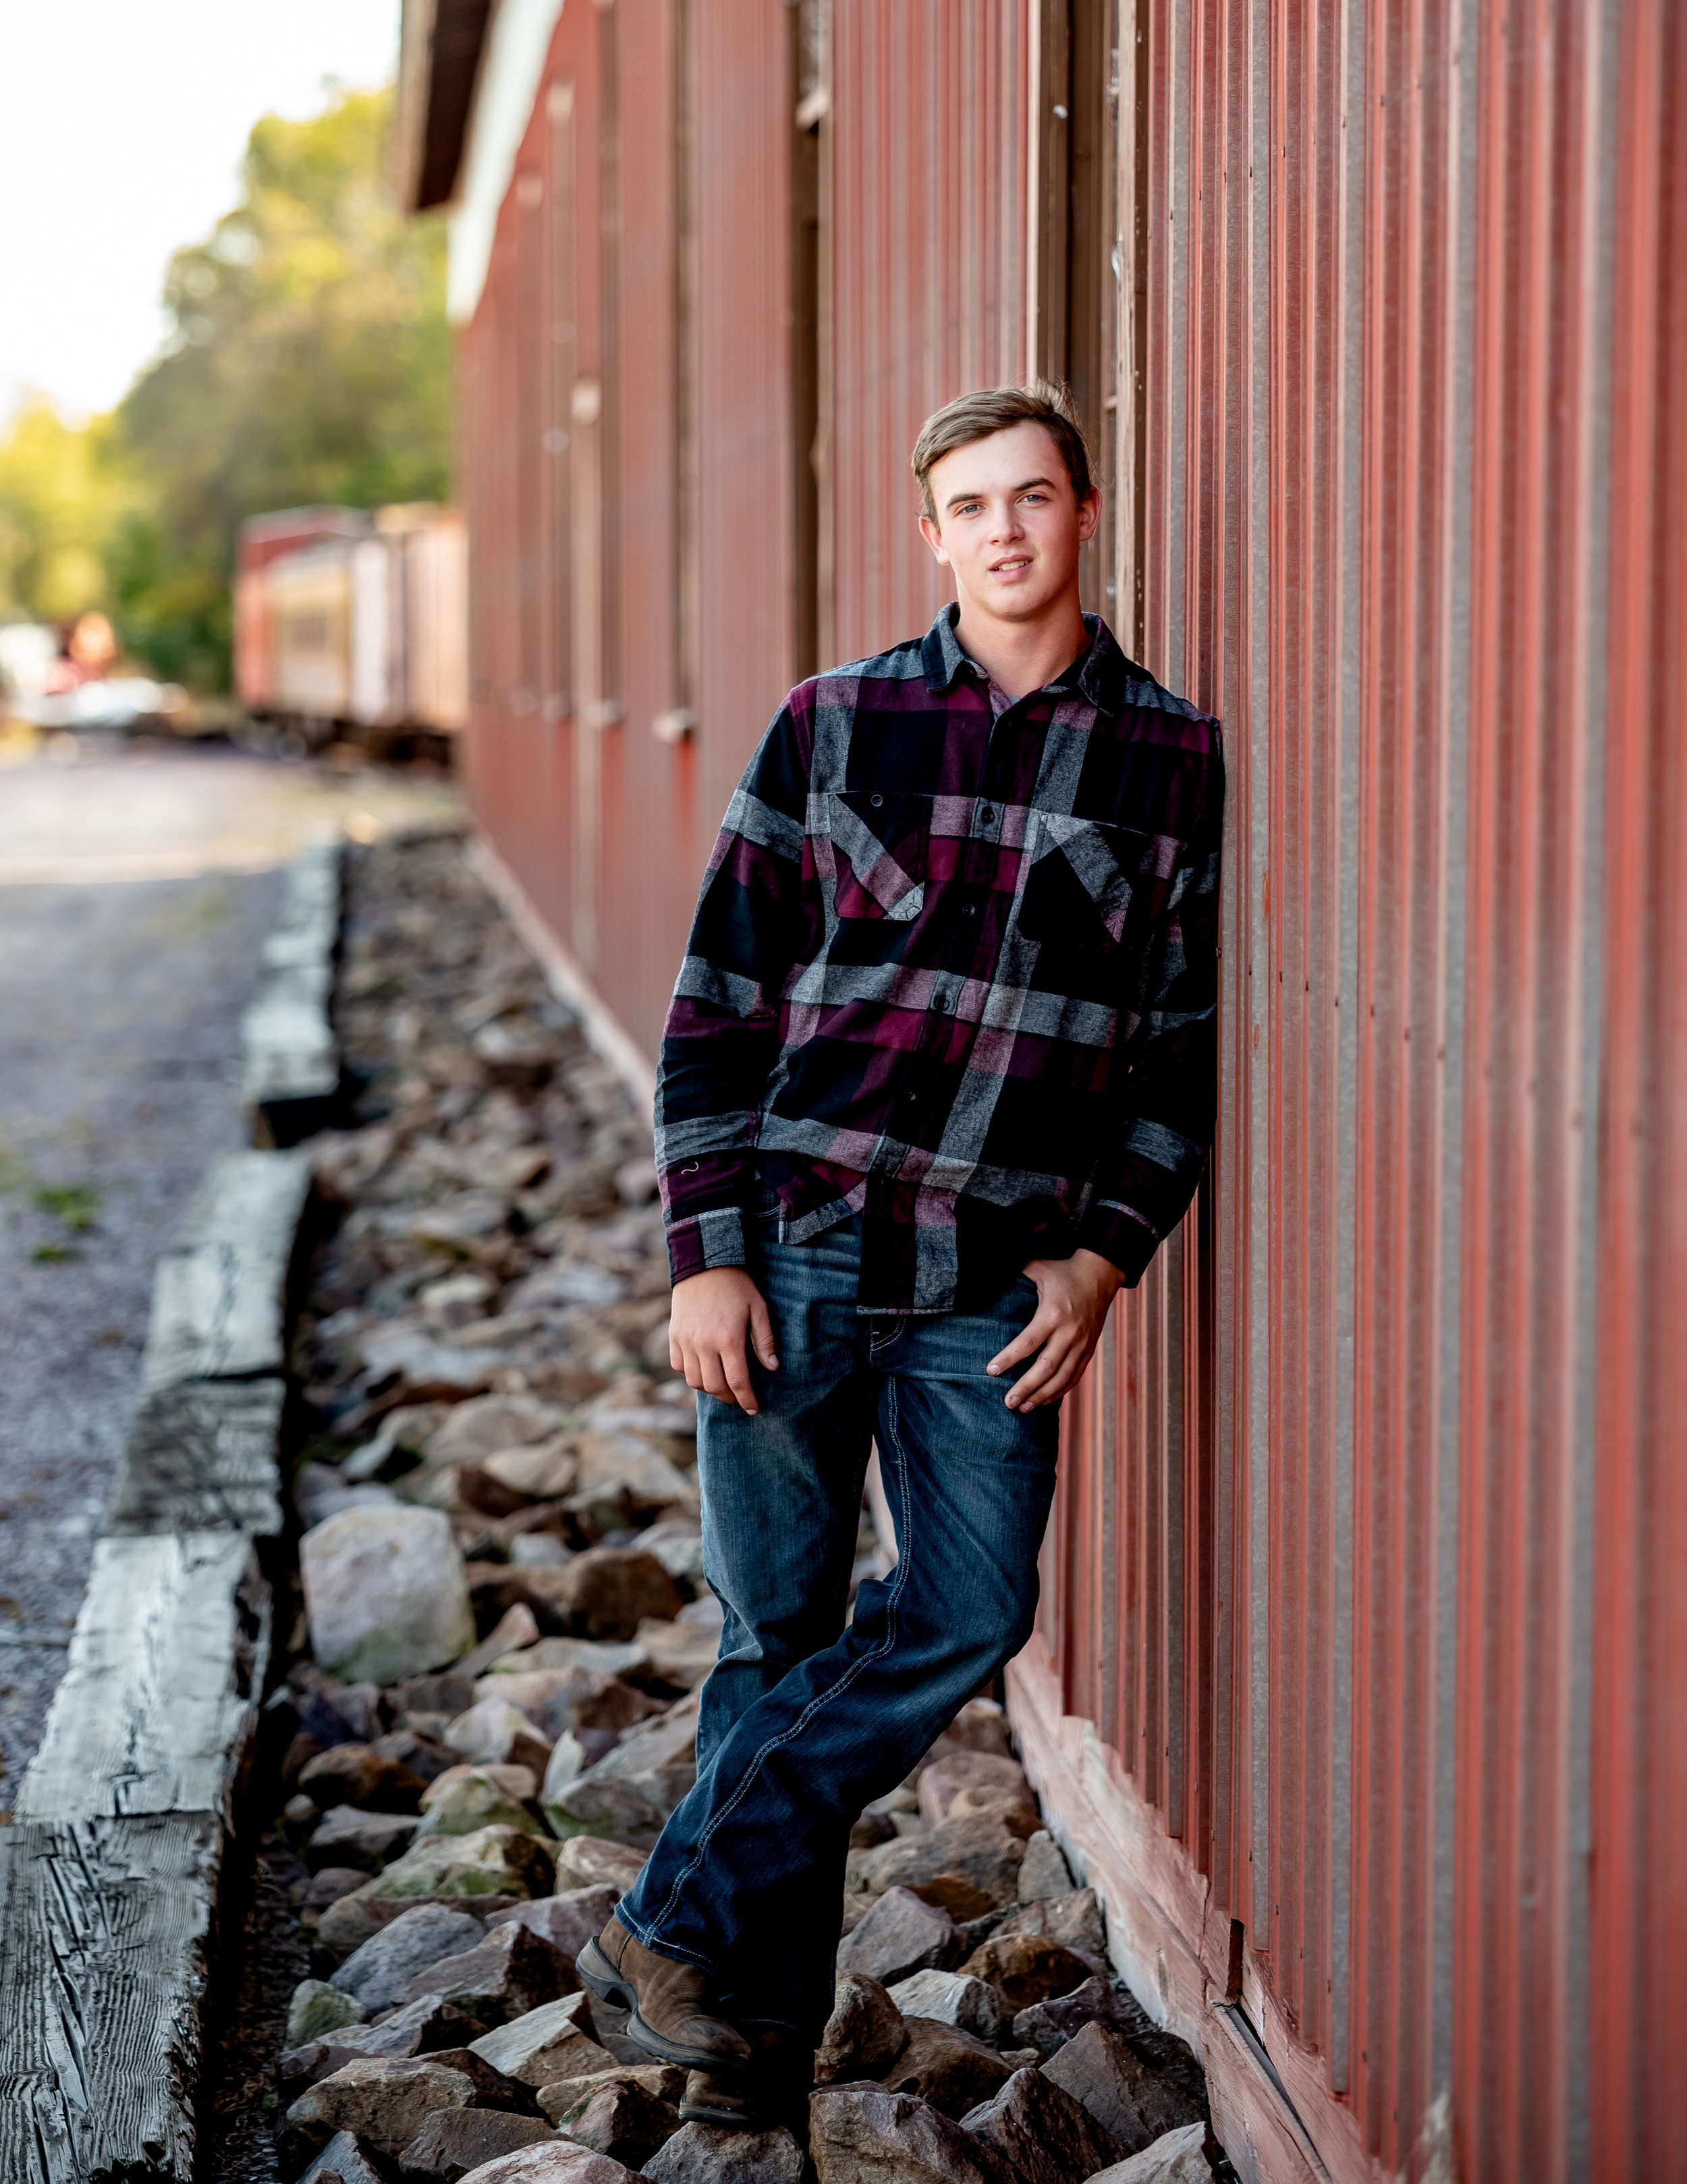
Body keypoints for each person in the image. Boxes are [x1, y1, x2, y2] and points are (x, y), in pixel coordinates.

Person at [578, 381, 1223, 2125]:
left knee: (967, 1607)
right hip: (788, 1253)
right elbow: (711, 1012)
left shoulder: (1171, 758)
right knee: (774, 1635)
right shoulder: (828, 723)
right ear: (928, 532)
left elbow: (1175, 1059)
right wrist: (700, 1255)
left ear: (1085, 510)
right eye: (969, 503)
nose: (1004, 529)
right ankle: (743, 2051)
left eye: (1032, 494)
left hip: (989, 1281)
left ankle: (673, 1911)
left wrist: (1102, 1258)